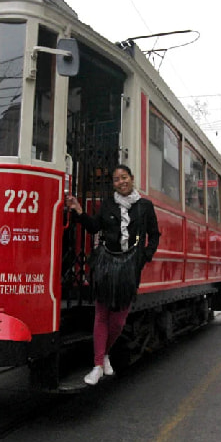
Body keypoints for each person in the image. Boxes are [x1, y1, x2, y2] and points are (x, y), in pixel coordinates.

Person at [65, 165, 160, 386]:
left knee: (118, 320)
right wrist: (79, 210)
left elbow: (154, 234)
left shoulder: (145, 206)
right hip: (106, 263)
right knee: (101, 315)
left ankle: (105, 353)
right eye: (116, 179)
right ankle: (98, 365)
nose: (121, 182)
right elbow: (93, 227)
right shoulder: (108, 204)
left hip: (129, 266)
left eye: (124, 177)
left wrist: (144, 256)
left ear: (131, 178)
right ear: (114, 184)